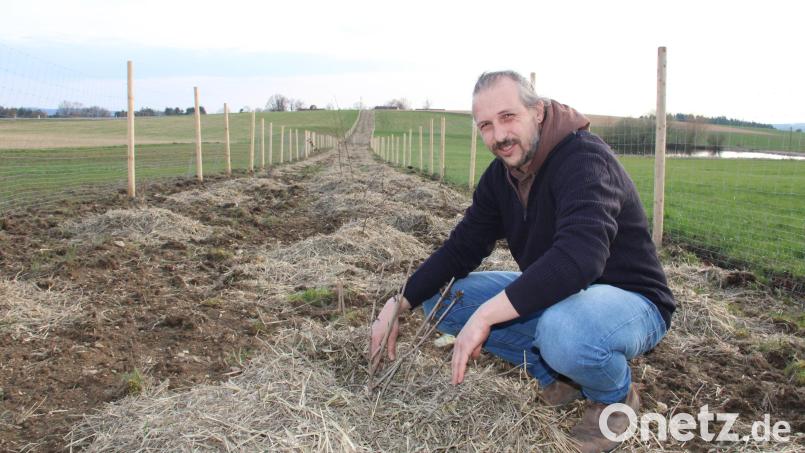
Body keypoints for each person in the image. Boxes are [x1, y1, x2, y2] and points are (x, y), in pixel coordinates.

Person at [370, 70, 675, 452]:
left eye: (508, 117)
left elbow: (579, 259)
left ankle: (615, 396)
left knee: (563, 331)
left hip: (631, 299)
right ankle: (560, 374)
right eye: (486, 125)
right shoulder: (502, 178)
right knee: (443, 298)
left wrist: (486, 316)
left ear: (539, 112)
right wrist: (399, 302)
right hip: (564, 296)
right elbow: (460, 248)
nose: (498, 136)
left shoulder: (585, 160)